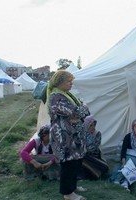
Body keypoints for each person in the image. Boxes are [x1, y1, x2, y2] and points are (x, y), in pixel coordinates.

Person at [47, 70, 90, 200]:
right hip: (65, 139)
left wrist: (80, 111)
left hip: (74, 138)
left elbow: (78, 112)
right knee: (68, 165)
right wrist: (84, 108)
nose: (71, 84)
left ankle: (73, 187)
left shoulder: (65, 95)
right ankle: (68, 193)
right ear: (60, 82)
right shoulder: (55, 98)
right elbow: (77, 112)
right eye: (69, 81)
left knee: (76, 163)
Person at [110, 119, 136, 189]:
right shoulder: (128, 136)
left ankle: (126, 182)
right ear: (133, 128)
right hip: (129, 155)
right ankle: (118, 180)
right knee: (128, 166)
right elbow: (123, 150)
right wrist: (123, 161)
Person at [81, 116, 109, 180]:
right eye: (91, 125)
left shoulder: (97, 134)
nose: (93, 127)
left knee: (104, 167)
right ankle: (93, 175)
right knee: (81, 161)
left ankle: (95, 174)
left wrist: (85, 150)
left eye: (94, 125)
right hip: (85, 156)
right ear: (86, 126)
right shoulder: (82, 134)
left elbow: (94, 147)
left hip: (95, 156)